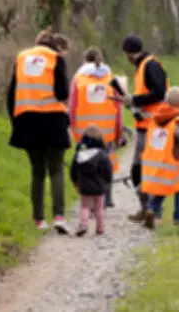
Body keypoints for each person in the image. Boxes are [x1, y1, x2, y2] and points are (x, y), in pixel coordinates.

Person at [6, 29, 72, 234]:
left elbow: (11, 93)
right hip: (53, 119)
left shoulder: (21, 57)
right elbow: (62, 92)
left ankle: (38, 220)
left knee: (37, 172)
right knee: (56, 168)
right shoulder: (56, 58)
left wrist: (15, 120)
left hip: (27, 120)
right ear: (53, 44)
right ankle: (59, 216)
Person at [120, 34, 170, 222]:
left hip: (153, 126)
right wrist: (133, 104)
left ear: (129, 53)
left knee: (141, 168)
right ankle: (147, 208)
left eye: (126, 54)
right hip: (146, 125)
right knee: (142, 168)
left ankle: (151, 208)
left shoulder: (150, 65)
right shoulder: (143, 65)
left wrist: (134, 100)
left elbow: (159, 93)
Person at [68, 47, 124, 208]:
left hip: (84, 131)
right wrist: (119, 132)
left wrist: (70, 129)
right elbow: (118, 107)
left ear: (85, 61)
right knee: (107, 162)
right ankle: (107, 197)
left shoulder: (78, 80)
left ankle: (89, 198)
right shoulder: (112, 79)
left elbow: (71, 108)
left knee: (85, 162)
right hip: (107, 130)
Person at [139, 87, 179, 229]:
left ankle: (151, 210)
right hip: (173, 162)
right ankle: (178, 219)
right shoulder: (177, 120)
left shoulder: (156, 116)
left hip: (156, 160)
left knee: (162, 189)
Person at [69, 125, 113, 237]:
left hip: (84, 186)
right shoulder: (102, 155)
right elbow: (108, 170)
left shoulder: (79, 155)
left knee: (85, 207)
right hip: (99, 187)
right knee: (99, 209)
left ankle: (84, 225)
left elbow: (73, 170)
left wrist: (75, 181)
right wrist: (108, 182)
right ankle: (100, 228)